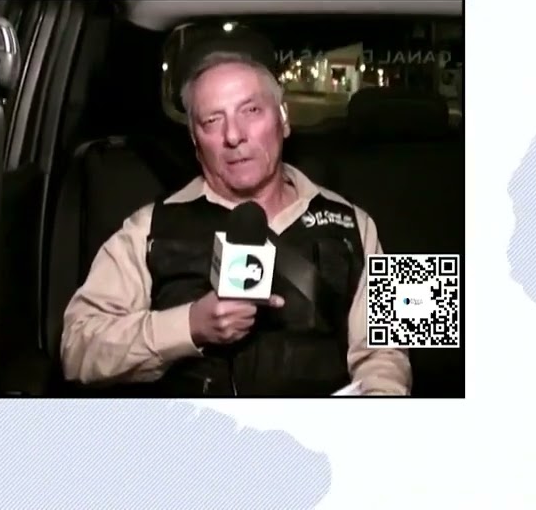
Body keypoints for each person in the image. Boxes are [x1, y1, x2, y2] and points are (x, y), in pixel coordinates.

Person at [59, 50, 410, 396]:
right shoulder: (146, 228)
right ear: (195, 140)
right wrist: (189, 325)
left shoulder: (357, 221)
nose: (233, 135)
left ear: (284, 119)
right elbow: (76, 351)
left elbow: (389, 354)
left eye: (251, 111)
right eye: (212, 120)